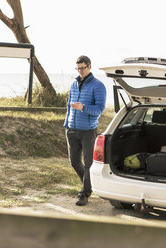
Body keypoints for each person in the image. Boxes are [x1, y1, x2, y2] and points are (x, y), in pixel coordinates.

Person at [64, 55, 106, 206]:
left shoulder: (98, 86)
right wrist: (66, 124)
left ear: (89, 66)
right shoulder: (74, 84)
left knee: (88, 163)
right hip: (71, 129)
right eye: (78, 68)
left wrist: (84, 108)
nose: (80, 71)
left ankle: (85, 193)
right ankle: (88, 185)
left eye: (82, 68)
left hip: (88, 131)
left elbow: (100, 109)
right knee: (74, 162)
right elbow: (69, 105)